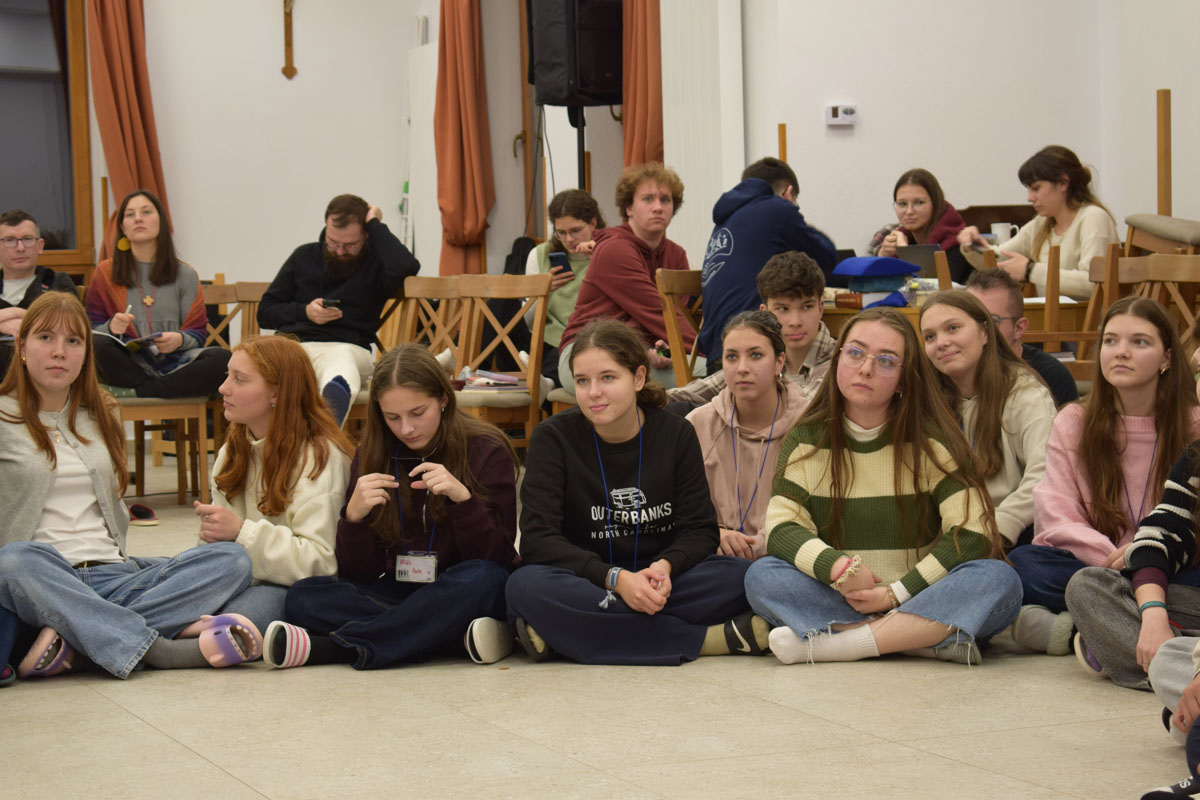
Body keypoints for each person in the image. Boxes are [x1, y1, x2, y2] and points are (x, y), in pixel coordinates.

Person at [0, 292, 259, 680]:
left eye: (73, 341)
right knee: (14, 560)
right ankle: (157, 650)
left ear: (86, 354)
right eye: (45, 338)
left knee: (231, 560)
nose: (59, 352)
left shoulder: (102, 412)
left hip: (114, 571)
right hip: (44, 577)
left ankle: (79, 639)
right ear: (21, 348)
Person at [744, 307, 1021, 666]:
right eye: (855, 352)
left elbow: (972, 533)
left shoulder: (935, 441)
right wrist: (838, 569)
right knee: (762, 577)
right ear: (837, 359)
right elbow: (783, 528)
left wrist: (895, 594)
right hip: (843, 595)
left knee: (1000, 580)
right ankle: (919, 639)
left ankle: (842, 644)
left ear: (904, 379)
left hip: (922, 593)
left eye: (886, 361)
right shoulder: (806, 439)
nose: (866, 368)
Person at [507, 320, 763, 665]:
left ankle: (566, 635)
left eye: (607, 378)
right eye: (582, 381)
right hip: (588, 578)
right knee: (524, 587)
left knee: (744, 577)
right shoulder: (553, 438)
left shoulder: (676, 434)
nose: (593, 392)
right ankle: (705, 640)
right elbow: (537, 539)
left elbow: (700, 530)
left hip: (662, 579)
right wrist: (616, 579)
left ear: (639, 378)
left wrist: (666, 567)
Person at [265, 343, 519, 669]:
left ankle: (339, 647)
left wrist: (463, 501)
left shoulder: (487, 449)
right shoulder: (372, 453)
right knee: (304, 596)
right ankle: (448, 637)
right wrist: (354, 518)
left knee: (484, 579)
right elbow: (360, 574)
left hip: (461, 588)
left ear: (443, 399)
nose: (406, 429)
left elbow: (497, 559)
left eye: (418, 413)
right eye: (392, 417)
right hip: (401, 591)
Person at [1010, 297, 1200, 667]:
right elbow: (1056, 516)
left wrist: (1145, 557)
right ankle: (1145, 625)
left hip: (1174, 565)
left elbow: (1188, 523)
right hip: (1098, 564)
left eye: (1139, 342)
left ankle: (1089, 628)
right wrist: (1123, 560)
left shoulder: (1193, 424)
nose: (1121, 352)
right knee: (1025, 565)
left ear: (1166, 358)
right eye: (1111, 341)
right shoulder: (1074, 421)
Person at [191, 335, 355, 634]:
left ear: (277, 393)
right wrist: (211, 538)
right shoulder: (234, 448)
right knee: (147, 572)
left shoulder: (321, 457)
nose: (223, 388)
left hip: (289, 587)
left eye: (239, 379)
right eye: (228, 375)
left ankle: (179, 636)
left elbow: (321, 563)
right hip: (237, 577)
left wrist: (240, 533)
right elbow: (219, 555)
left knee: (239, 620)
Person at [1065, 328, 1200, 690]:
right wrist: (1153, 615)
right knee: (1088, 585)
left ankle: (1170, 670)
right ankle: (1179, 667)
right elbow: (1163, 532)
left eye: (1138, 341)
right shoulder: (1196, 457)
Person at [259, 194, 420, 425]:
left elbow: (406, 265)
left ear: (366, 235)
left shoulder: (377, 264)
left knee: (341, 363)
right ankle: (280, 441)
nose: (340, 251)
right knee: (278, 364)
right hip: (297, 345)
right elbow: (265, 312)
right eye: (333, 242)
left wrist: (374, 223)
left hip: (349, 346)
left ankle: (326, 433)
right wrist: (305, 312)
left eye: (350, 245)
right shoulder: (304, 256)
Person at [920, 289, 1056, 548]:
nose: (941, 342)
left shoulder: (1025, 393)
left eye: (953, 328)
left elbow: (1047, 472)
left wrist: (999, 527)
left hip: (1010, 537)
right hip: (948, 538)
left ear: (984, 332)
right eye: (930, 336)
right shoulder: (926, 401)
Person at [558, 163, 692, 392]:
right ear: (629, 208)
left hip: (639, 350)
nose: (658, 207)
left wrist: (665, 349)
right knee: (709, 371)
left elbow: (674, 319)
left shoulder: (676, 254)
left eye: (665, 200)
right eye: (648, 199)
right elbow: (657, 311)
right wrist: (717, 352)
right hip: (586, 350)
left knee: (710, 370)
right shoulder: (614, 249)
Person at [85, 190, 231, 398]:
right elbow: (89, 332)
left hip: (178, 364)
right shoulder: (106, 273)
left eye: (146, 212)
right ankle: (164, 390)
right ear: (123, 228)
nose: (138, 219)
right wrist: (111, 327)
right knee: (97, 346)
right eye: (130, 214)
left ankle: (142, 392)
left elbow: (198, 334)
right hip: (129, 365)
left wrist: (178, 339)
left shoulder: (185, 274)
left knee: (222, 359)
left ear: (161, 222)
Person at [686, 311, 807, 560]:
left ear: (779, 362)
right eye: (731, 357)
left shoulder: (809, 424)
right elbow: (681, 511)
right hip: (712, 557)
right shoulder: (697, 424)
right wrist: (714, 534)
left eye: (756, 355)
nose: (742, 368)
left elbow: (814, 516)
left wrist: (756, 546)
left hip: (785, 558)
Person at [696, 157, 835, 358]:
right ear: (787, 193)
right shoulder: (778, 208)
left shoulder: (724, 221)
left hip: (719, 351)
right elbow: (828, 259)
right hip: (753, 348)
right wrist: (805, 227)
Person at [670, 251, 836, 408]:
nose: (795, 322)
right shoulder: (763, 354)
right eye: (783, 309)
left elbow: (800, 412)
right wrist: (655, 397)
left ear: (820, 308)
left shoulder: (838, 361)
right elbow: (693, 392)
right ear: (765, 313)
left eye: (806, 307)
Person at [957, 145, 1119, 299]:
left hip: (1084, 317)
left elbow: (1094, 283)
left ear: (1063, 183)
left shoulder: (1094, 218)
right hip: (1051, 314)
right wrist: (973, 245)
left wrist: (1031, 271)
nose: (1029, 198)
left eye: (1036, 188)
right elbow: (998, 261)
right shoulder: (1042, 223)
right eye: (1029, 190)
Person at [524, 189, 606, 388]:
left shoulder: (609, 252)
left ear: (593, 223)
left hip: (587, 337)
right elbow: (527, 321)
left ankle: (546, 384)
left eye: (575, 231)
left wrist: (599, 262)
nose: (568, 239)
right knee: (498, 305)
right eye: (561, 233)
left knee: (568, 352)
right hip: (543, 338)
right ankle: (465, 365)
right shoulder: (539, 255)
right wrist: (545, 292)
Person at [966, 268, 1078, 406]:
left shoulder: (1050, 376)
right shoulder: (954, 370)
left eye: (992, 321)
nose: (978, 331)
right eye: (970, 319)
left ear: (1019, 328)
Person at [0, 209, 79, 376]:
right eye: (10, 241)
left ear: (40, 246)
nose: (20, 248)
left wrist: (13, 318)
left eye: (27, 239)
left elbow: (74, 328)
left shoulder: (58, 282)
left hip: (46, 373)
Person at [867, 168, 971, 283]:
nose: (909, 211)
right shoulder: (902, 235)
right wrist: (883, 256)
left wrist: (904, 252)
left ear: (936, 204)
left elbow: (940, 289)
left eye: (919, 202)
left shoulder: (957, 241)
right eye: (902, 204)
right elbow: (877, 285)